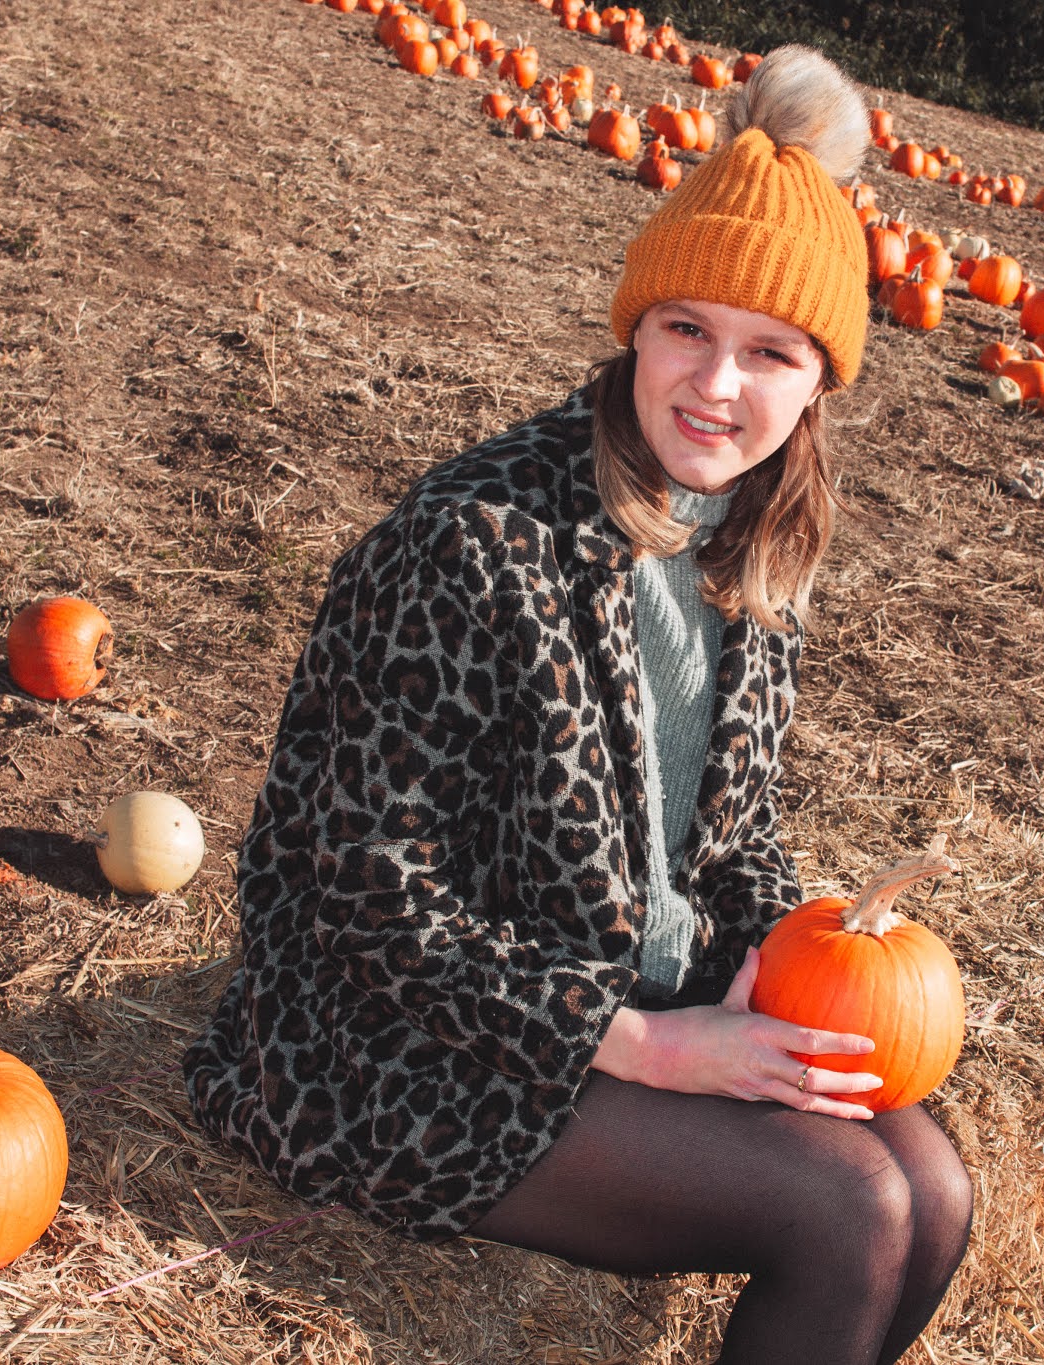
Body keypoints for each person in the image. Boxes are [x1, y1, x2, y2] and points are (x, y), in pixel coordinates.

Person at [182, 44, 974, 1365]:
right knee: (851, 1209)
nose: (718, 388)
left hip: (636, 986)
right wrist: (652, 1049)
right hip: (402, 1045)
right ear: (637, 328)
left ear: (819, 383)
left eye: (770, 352)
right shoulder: (475, 544)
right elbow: (359, 891)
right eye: (688, 332)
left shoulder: (756, 539)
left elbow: (731, 835)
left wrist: (796, 958)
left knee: (936, 1193)